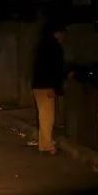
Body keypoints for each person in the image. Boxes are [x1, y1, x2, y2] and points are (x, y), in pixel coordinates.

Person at [30, 23, 67, 155]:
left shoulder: (41, 45)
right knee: (47, 117)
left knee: (42, 115)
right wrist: (56, 87)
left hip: (37, 85)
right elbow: (56, 69)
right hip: (46, 86)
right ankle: (46, 145)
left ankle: (44, 142)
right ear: (58, 33)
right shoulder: (55, 47)